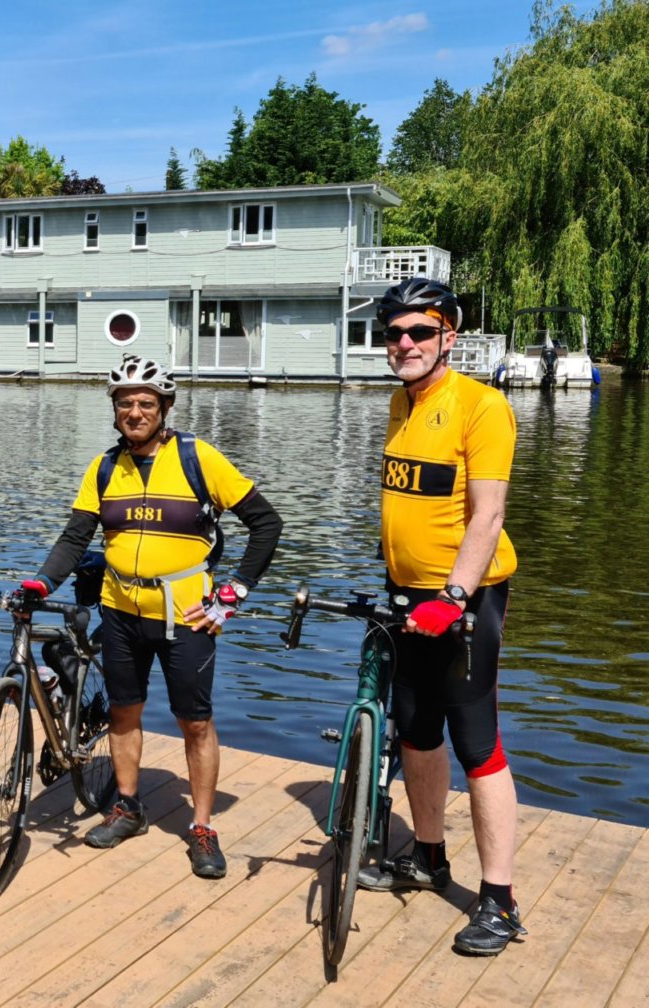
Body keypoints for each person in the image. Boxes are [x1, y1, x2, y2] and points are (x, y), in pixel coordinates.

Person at [16, 355, 282, 879]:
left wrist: (232, 594)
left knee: (195, 721)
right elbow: (75, 537)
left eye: (145, 403)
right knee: (123, 712)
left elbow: (266, 523)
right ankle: (128, 807)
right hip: (120, 610)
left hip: (187, 615)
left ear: (165, 407)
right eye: (125, 403)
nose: (134, 412)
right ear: (114, 409)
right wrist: (42, 582)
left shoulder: (197, 458)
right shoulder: (104, 467)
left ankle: (201, 826)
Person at [355, 277, 525, 956]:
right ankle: (428, 858)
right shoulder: (402, 401)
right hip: (405, 597)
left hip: (463, 601)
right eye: (394, 332)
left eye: (420, 331)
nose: (405, 343)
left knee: (477, 744)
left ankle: (500, 902)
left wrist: (452, 597)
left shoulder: (482, 406)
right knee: (417, 734)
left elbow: (488, 515)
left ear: (448, 336)